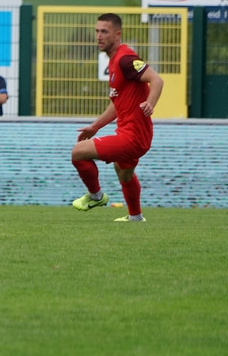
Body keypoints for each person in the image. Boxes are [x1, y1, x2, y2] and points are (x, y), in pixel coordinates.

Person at [70, 13, 163, 222]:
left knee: (78, 152)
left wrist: (151, 103)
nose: (99, 36)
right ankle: (136, 218)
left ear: (117, 35)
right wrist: (95, 126)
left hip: (132, 137)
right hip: (135, 136)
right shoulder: (113, 61)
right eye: (97, 31)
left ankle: (96, 196)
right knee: (124, 173)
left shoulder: (125, 59)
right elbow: (116, 103)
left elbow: (157, 80)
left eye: (104, 32)